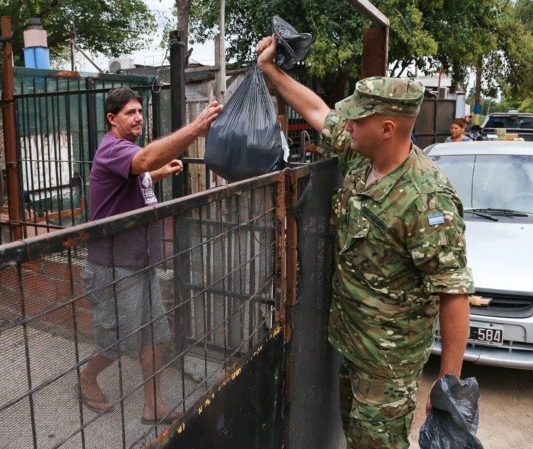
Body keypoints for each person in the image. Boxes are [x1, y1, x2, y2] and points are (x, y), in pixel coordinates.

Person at [256, 35, 473, 449]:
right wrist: (271, 70)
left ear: (387, 128)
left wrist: (448, 384)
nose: (347, 125)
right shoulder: (363, 155)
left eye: (356, 120)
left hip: (388, 366)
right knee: (357, 439)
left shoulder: (427, 198)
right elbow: (318, 111)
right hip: (352, 344)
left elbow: (453, 290)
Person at [80, 88, 222, 424]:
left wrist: (155, 174)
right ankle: (87, 378)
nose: (138, 117)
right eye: (130, 112)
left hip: (139, 261)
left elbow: (136, 173)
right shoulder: (113, 148)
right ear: (111, 119)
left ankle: (153, 405)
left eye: (140, 111)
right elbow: (142, 160)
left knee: (155, 334)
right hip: (113, 265)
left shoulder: (125, 152)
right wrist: (194, 129)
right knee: (117, 339)